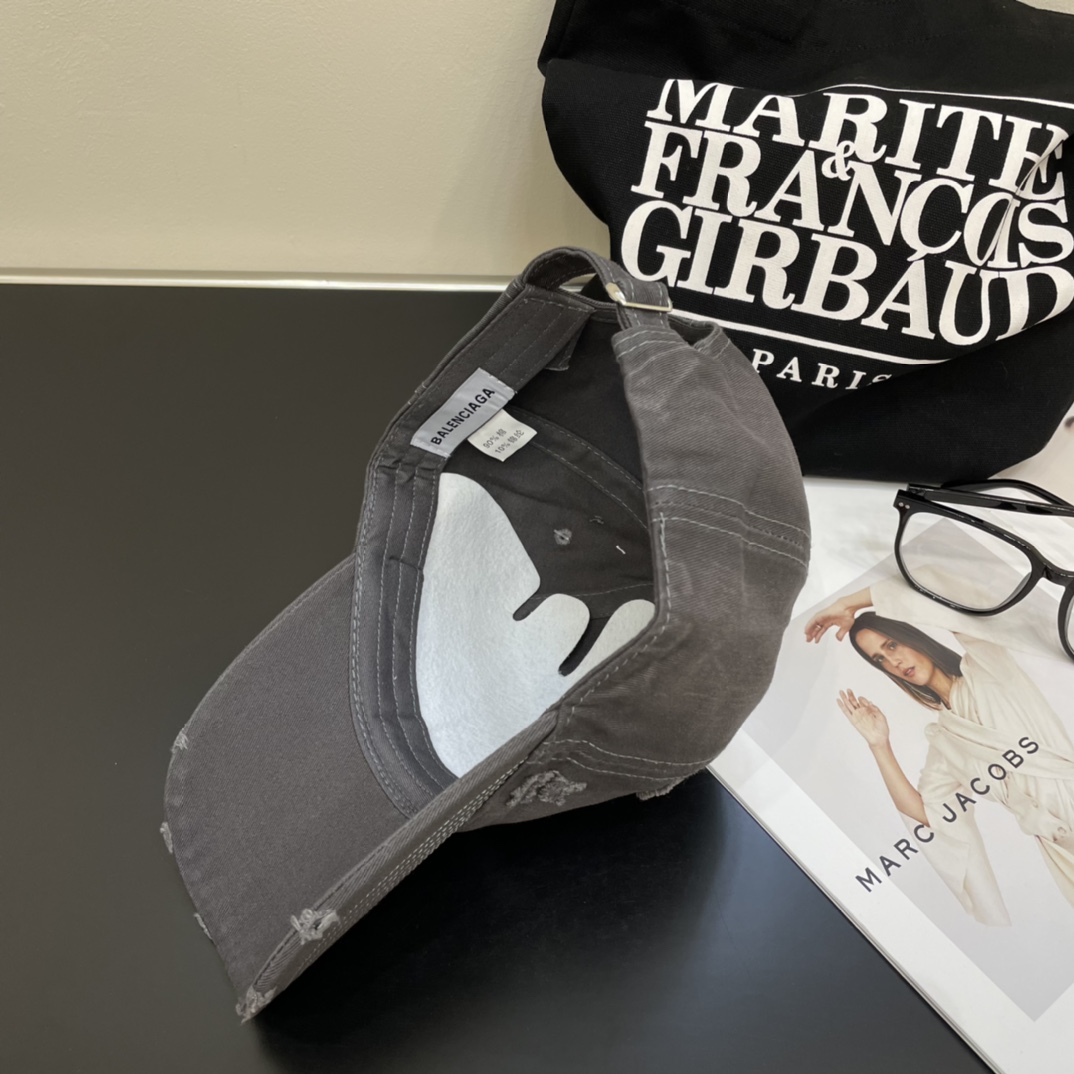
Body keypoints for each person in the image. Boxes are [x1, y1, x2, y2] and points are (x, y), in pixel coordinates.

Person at [805, 577, 1074, 925]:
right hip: (1059, 847)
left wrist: (849, 604)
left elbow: (950, 590)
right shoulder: (945, 740)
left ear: (911, 635)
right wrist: (879, 745)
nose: (893, 661)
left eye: (891, 644)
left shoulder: (987, 665)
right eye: (880, 659)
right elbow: (927, 816)